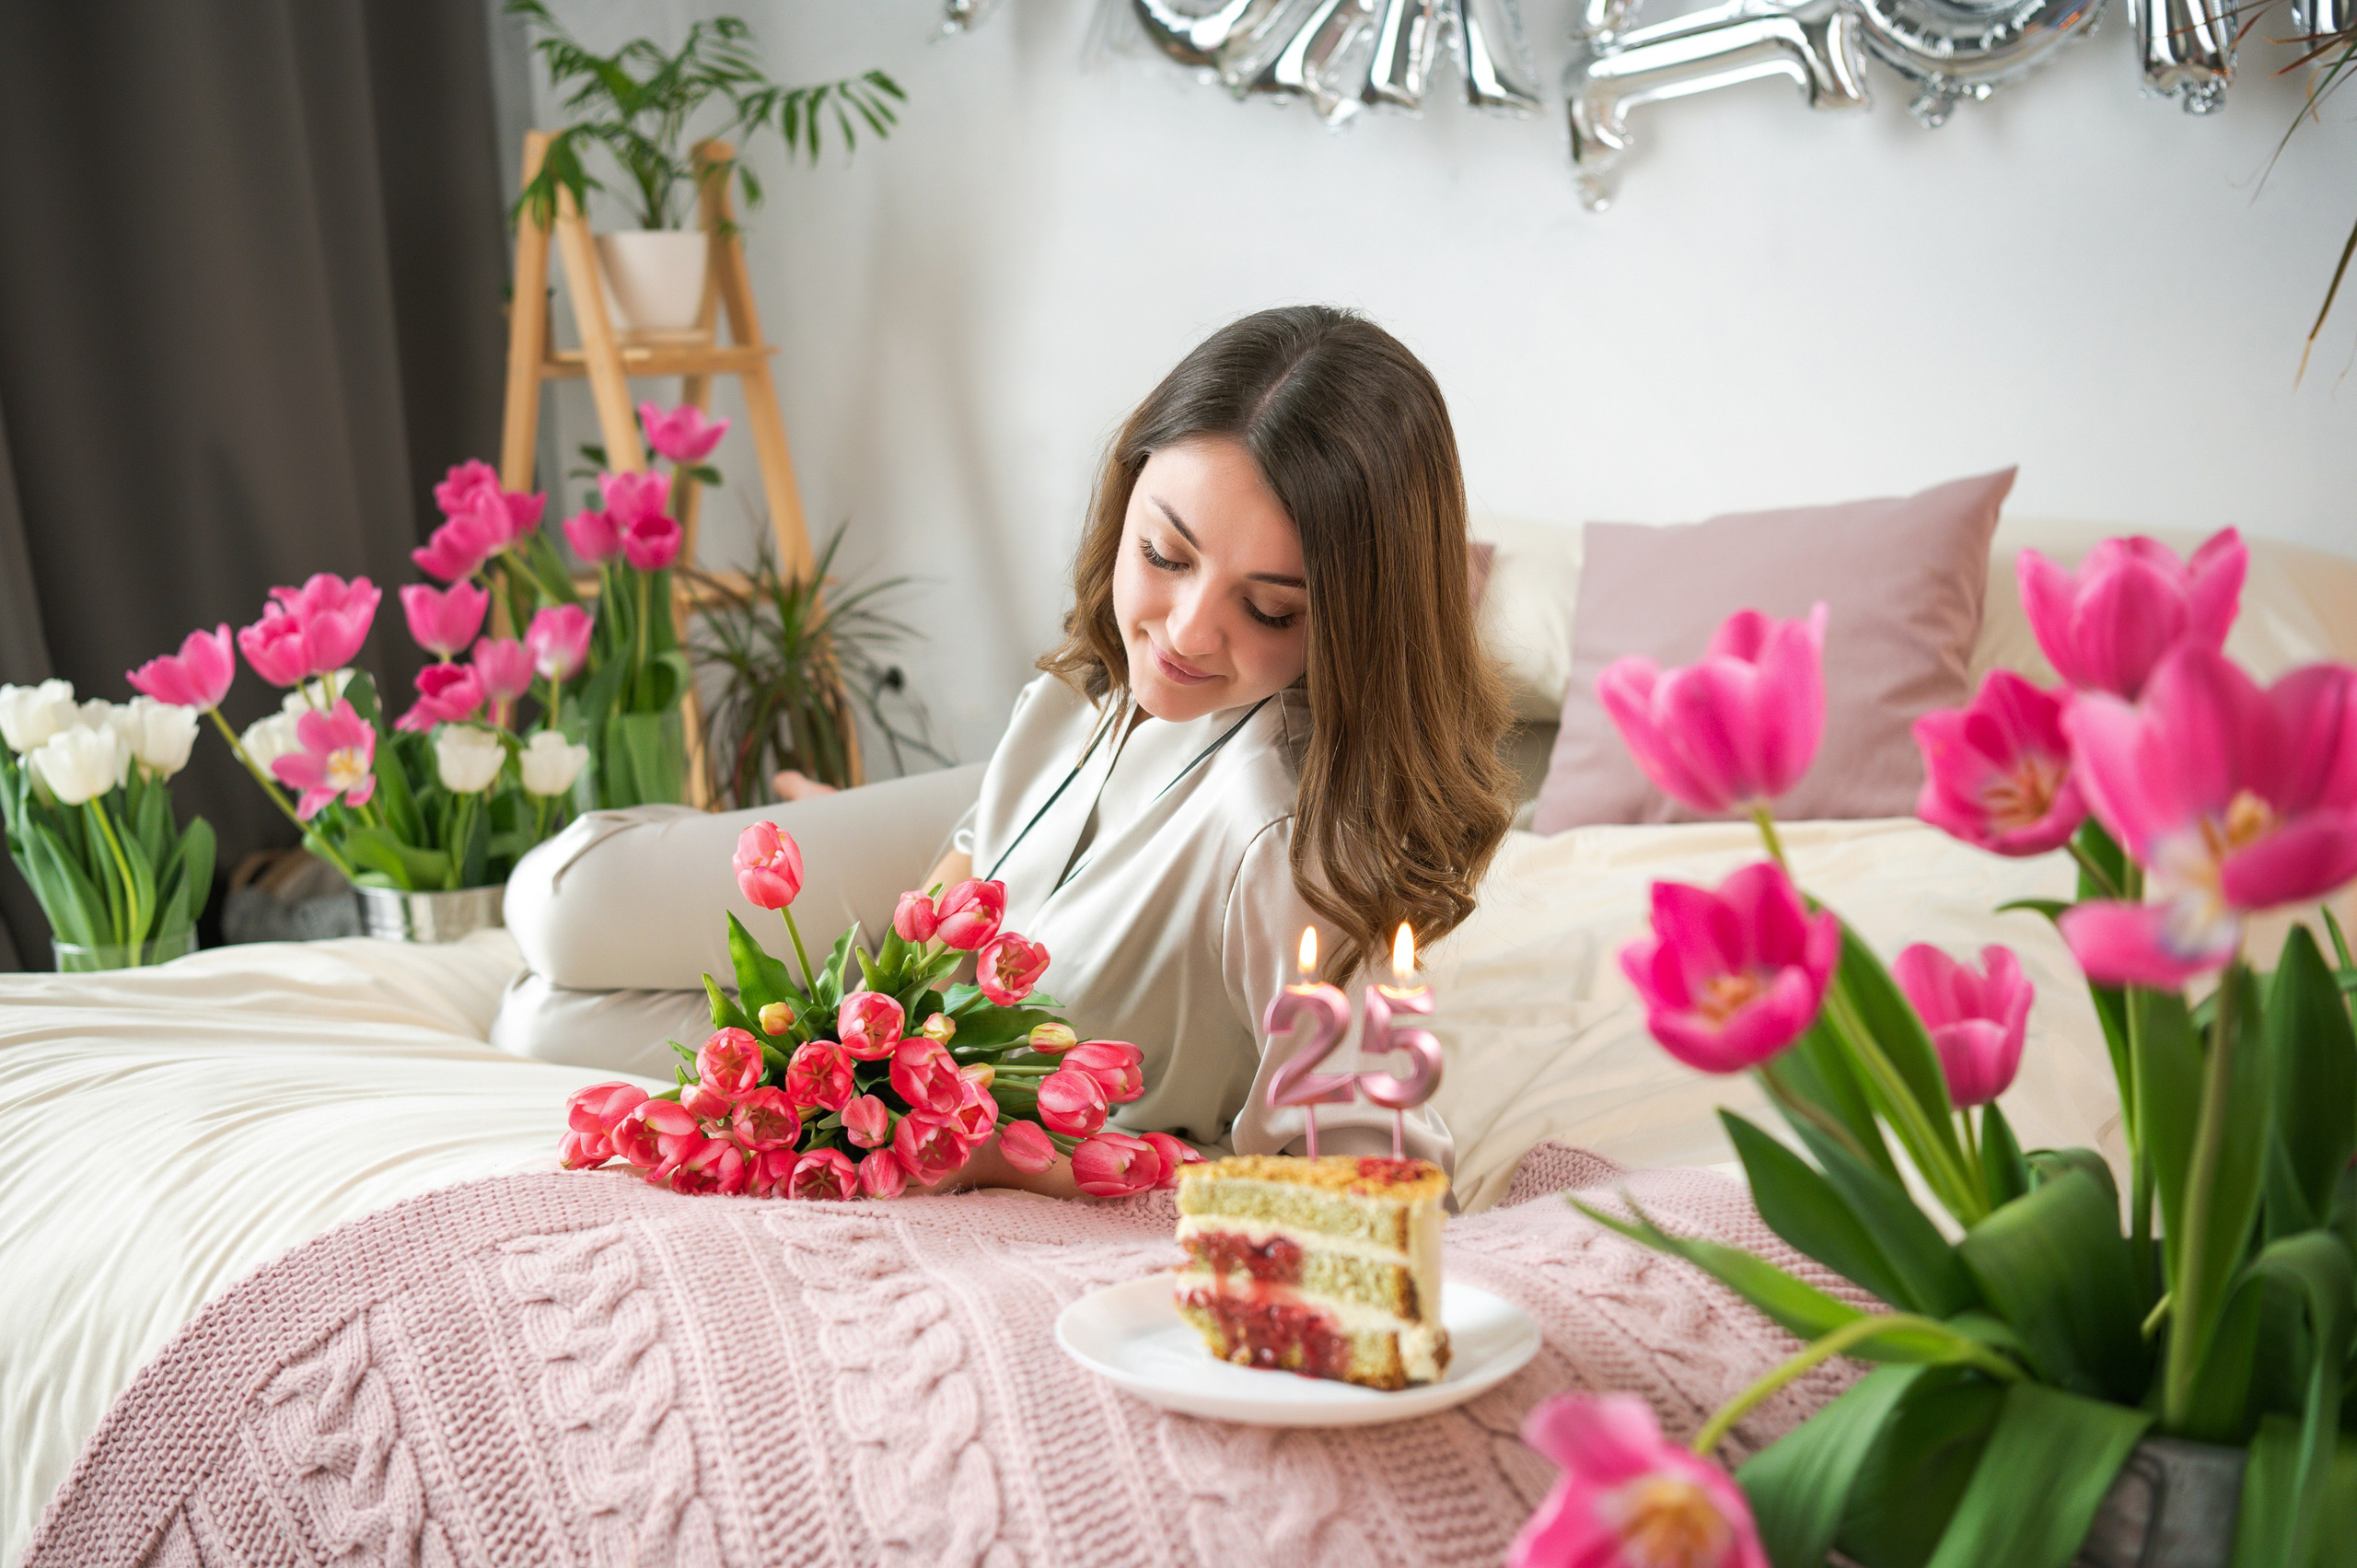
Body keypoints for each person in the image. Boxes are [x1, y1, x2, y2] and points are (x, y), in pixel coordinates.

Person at [788, 306, 1516, 1194]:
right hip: (1014, 805)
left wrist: (1013, 1161)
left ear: (1354, 623)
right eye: (1166, 553)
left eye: (1270, 609)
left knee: (576, 924)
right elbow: (978, 847)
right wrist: (869, 1016)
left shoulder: (1281, 846)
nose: (1186, 633)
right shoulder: (1096, 682)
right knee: (575, 932)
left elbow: (1381, 1181)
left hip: (982, 1038)